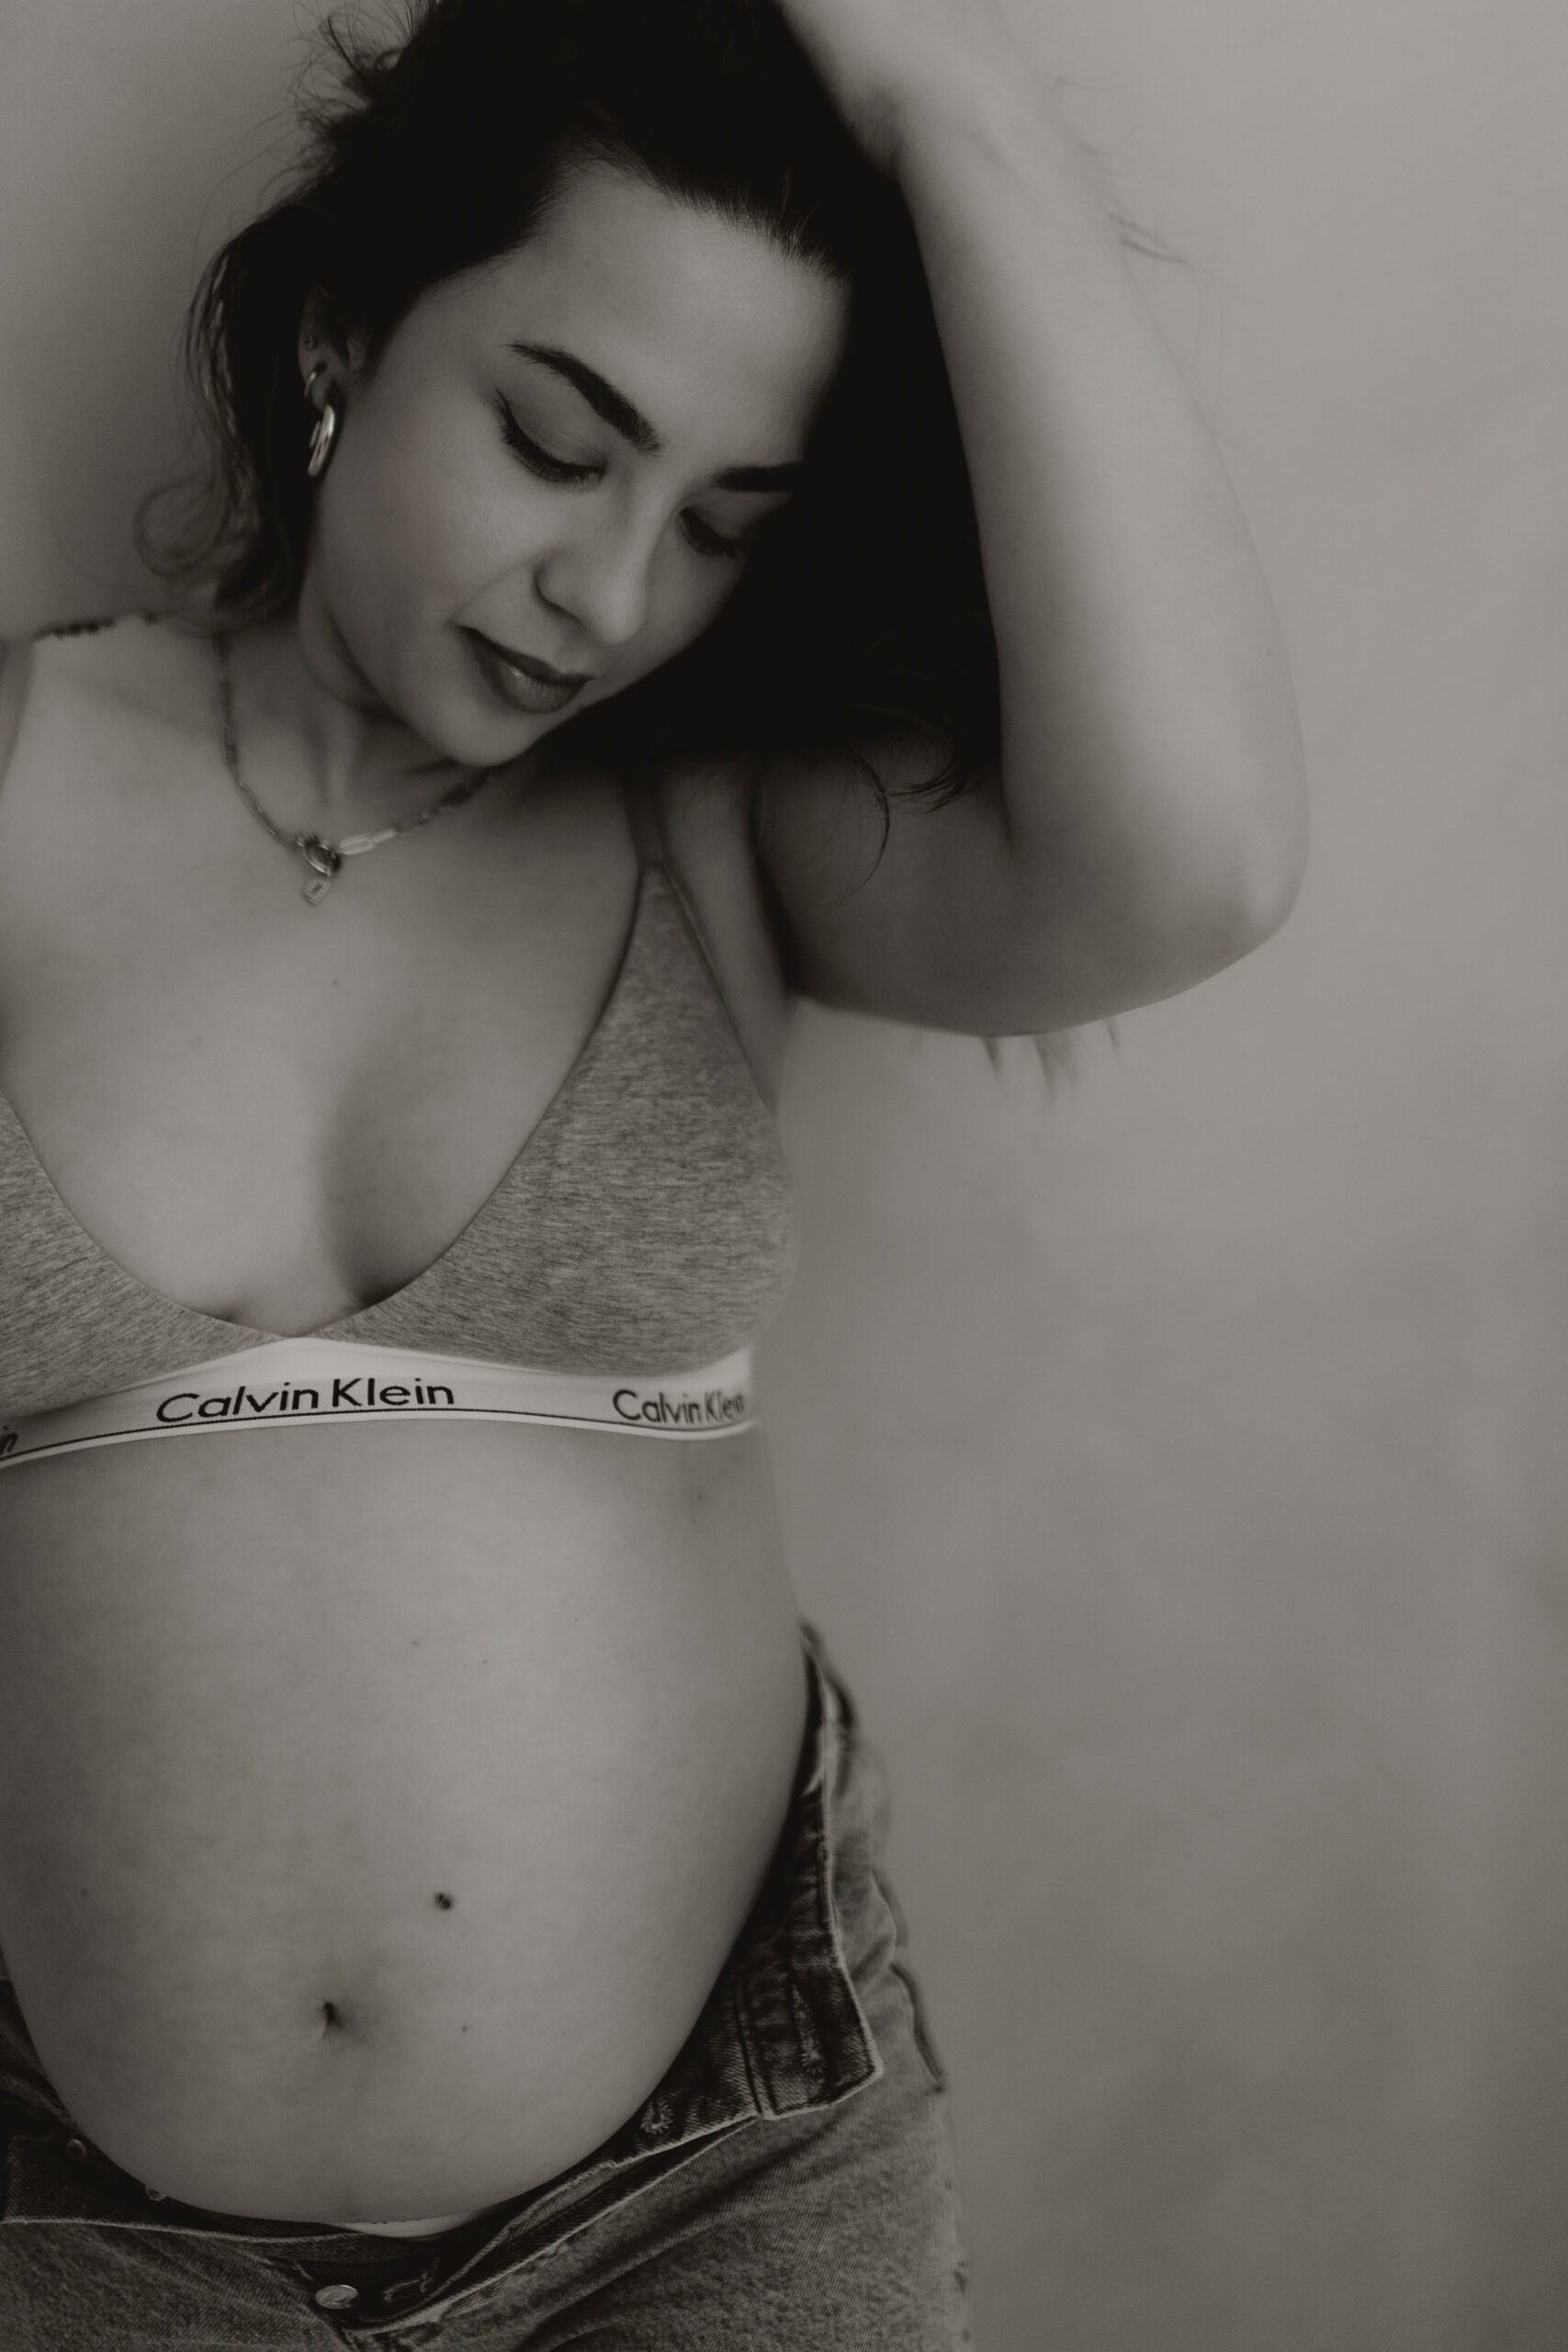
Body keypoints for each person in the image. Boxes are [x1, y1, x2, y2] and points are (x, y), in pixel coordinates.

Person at [0, 0, 1307, 2340]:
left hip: (715, 2197)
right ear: (339, 334)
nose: (605, 596)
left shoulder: (716, 821)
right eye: (552, 440)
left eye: (720, 522)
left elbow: (1192, 864)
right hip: (72, 2228)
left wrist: (945, 102)